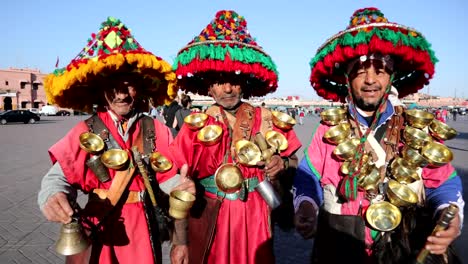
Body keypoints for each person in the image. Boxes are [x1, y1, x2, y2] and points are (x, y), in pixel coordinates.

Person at [293, 7, 464, 264]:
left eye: (380, 70)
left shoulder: (417, 129)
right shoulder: (327, 131)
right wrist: (306, 206)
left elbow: (444, 184)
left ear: (391, 77)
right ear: (347, 79)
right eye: (361, 71)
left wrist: (449, 218)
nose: (370, 80)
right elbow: (308, 177)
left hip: (406, 246)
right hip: (341, 247)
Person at [38, 17, 194, 264]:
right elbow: (59, 177)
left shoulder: (157, 129)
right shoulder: (85, 129)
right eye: (113, 86)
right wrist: (52, 195)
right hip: (98, 227)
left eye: (128, 85)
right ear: (100, 89)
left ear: (139, 88)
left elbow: (168, 178)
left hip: (144, 228)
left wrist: (179, 187)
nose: (121, 95)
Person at [169, 10, 302, 264]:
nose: (227, 88)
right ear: (208, 86)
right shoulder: (196, 126)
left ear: (246, 82)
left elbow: (293, 162)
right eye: (219, 81)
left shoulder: (267, 119)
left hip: (255, 218)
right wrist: (180, 241)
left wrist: (282, 166)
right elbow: (179, 183)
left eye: (234, 79)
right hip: (208, 218)